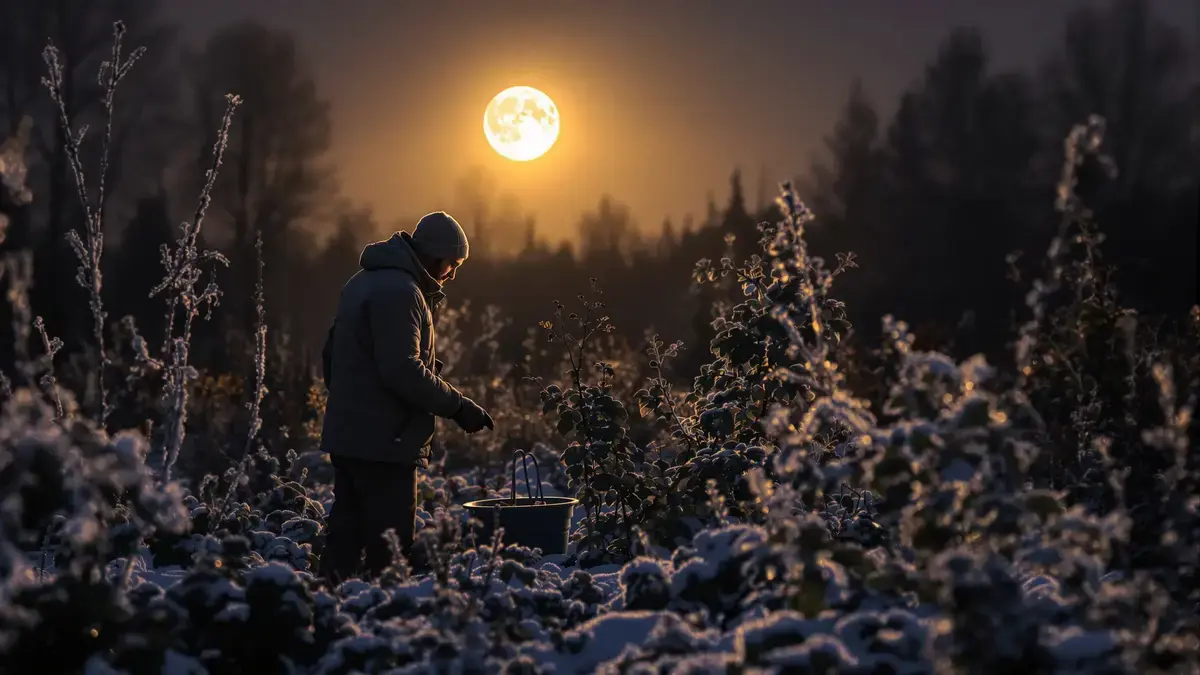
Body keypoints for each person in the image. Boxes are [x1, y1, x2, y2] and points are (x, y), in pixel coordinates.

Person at [318, 211, 494, 585]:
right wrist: (459, 407)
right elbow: (401, 370)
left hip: (350, 436)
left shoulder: (362, 283)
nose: (452, 274)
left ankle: (326, 609)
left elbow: (335, 356)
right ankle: (389, 623)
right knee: (392, 549)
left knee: (344, 539)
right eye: (452, 265)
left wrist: (355, 403)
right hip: (386, 442)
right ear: (434, 257)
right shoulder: (403, 293)